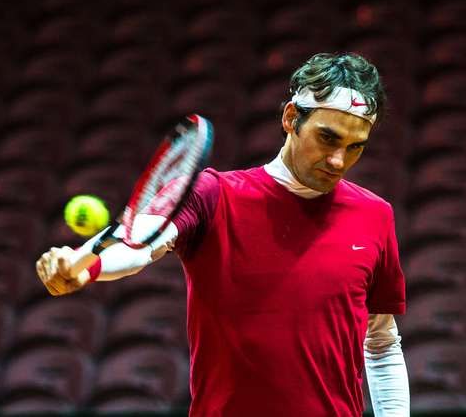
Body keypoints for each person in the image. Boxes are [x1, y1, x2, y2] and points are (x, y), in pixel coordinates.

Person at [36, 53, 409, 416]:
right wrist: (87, 266)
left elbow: (381, 344)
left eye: (355, 147)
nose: (338, 160)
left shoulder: (374, 215)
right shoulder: (212, 194)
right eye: (327, 138)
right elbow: (142, 243)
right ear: (291, 118)